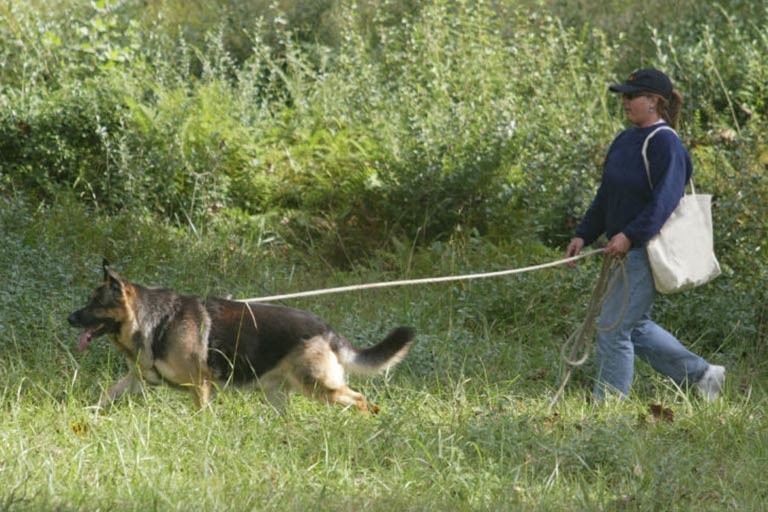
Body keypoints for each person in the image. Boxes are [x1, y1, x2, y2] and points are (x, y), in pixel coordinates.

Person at [565, 68, 725, 401]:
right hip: (625, 249)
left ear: (653, 101)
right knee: (634, 326)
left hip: (644, 250)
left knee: (613, 329)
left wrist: (629, 235)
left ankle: (607, 409)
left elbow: (664, 201)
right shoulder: (625, 140)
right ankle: (703, 375)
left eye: (631, 96)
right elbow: (607, 194)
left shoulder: (666, 143)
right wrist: (584, 233)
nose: (624, 101)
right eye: (623, 95)